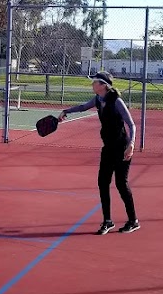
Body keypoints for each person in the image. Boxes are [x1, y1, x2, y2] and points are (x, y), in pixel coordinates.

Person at [59, 71, 139, 234]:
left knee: (121, 184)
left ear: (103, 85)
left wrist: (131, 144)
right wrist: (66, 111)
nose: (92, 84)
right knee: (103, 183)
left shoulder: (116, 101)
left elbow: (131, 124)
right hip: (108, 148)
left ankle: (133, 220)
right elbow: (82, 107)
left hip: (122, 148)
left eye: (95, 82)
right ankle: (107, 221)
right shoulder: (98, 99)